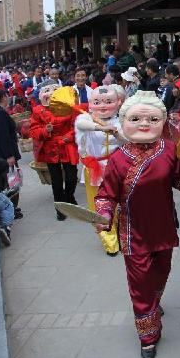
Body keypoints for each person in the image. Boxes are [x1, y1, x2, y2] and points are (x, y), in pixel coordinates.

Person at [95, 91, 180, 358]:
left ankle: (154, 304)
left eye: (153, 118)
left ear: (163, 121)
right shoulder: (118, 160)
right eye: (136, 118)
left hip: (164, 227)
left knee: (161, 273)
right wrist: (104, 215)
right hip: (134, 234)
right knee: (141, 286)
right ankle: (148, 336)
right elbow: (105, 195)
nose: (144, 124)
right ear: (123, 121)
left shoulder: (170, 150)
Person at [75, 86, 124, 256]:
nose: (102, 106)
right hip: (95, 169)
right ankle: (109, 241)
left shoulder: (122, 121)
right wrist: (101, 128)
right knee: (99, 206)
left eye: (108, 102)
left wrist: (117, 134)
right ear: (90, 104)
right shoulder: (86, 119)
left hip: (117, 169)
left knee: (120, 204)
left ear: (118, 103)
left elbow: (128, 141)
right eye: (97, 102)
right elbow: (81, 124)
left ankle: (121, 233)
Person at [30, 85, 79, 221]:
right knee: (56, 181)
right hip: (50, 149)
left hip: (67, 146)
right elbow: (34, 131)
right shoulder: (37, 111)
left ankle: (69, 196)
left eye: (54, 91)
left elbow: (77, 125)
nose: (51, 94)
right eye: (47, 91)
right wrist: (45, 130)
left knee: (71, 177)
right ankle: (60, 207)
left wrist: (69, 137)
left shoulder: (68, 106)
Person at [0, 89, 23, 219]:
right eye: (7, 96)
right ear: (3, 97)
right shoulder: (0, 113)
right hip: (4, 153)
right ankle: (11, 209)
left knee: (7, 182)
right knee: (11, 183)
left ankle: (10, 208)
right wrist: (9, 155)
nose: (8, 98)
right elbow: (3, 136)